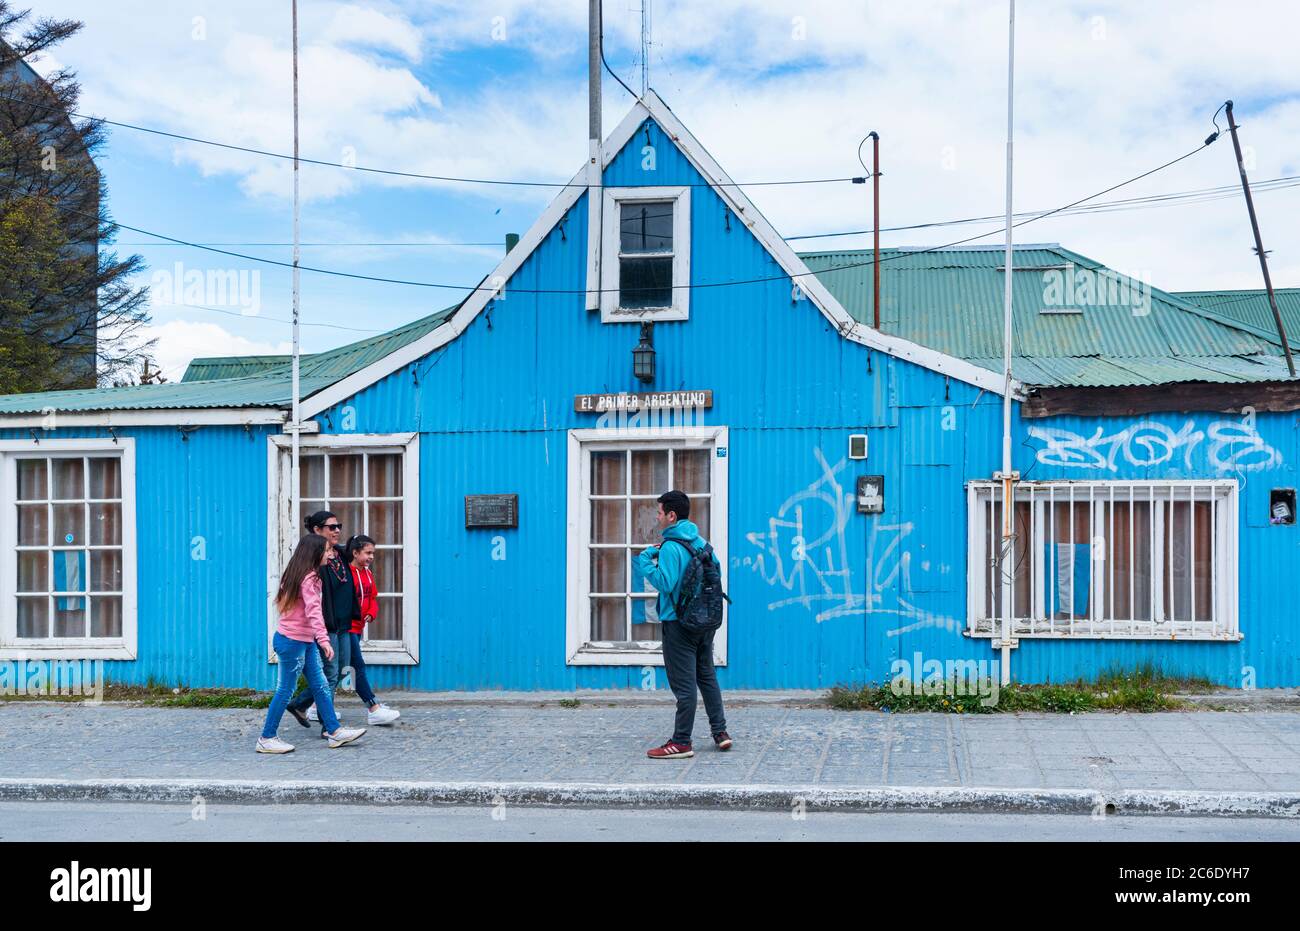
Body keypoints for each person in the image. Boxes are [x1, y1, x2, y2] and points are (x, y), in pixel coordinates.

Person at [634, 489, 731, 759]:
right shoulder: (701, 542)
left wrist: (644, 560)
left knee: (684, 685)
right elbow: (717, 573)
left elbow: (665, 583)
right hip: (706, 622)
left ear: (671, 516)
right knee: (707, 676)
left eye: (660, 512)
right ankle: (720, 732)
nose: (658, 516)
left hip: (678, 623)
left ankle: (681, 742)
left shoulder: (670, 547)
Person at [257, 533, 366, 752]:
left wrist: (316, 640)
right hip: (292, 642)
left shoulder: (302, 575)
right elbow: (314, 611)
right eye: (327, 550)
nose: (332, 554)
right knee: (285, 690)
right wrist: (325, 641)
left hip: (303, 641)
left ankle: (334, 732)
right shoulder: (309, 579)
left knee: (321, 685)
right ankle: (267, 738)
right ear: (315, 553)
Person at [286, 511, 358, 736]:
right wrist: (322, 631)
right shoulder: (315, 561)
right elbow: (313, 601)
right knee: (331, 673)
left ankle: (301, 704)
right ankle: (329, 726)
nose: (337, 530)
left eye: (339, 526)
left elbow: (357, 550)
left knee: (342, 669)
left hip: (344, 622)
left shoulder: (338, 554)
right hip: (327, 625)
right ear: (317, 530)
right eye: (331, 527)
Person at [343, 534, 401, 726]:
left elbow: (372, 598)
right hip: (347, 627)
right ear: (355, 552)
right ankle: (373, 708)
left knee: (335, 669)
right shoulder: (346, 573)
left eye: (373, 553)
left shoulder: (367, 573)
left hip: (359, 627)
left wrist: (371, 613)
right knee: (357, 666)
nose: (371, 557)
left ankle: (310, 707)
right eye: (368, 553)